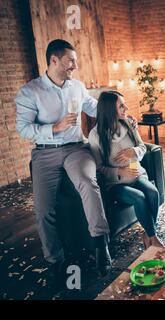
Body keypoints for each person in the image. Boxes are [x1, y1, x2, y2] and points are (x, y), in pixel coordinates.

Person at [15, 39, 112, 281]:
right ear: (54, 60)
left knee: (88, 184)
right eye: (71, 61)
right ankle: (54, 259)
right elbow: (24, 129)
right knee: (43, 209)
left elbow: (92, 107)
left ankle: (101, 245)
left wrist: (117, 111)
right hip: (44, 152)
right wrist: (54, 128)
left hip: (76, 149)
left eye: (75, 61)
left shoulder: (77, 87)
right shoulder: (30, 92)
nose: (74, 66)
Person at [88, 91, 163, 249]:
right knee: (139, 197)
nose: (126, 108)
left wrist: (134, 152)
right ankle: (153, 237)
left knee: (153, 192)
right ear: (109, 109)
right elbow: (99, 167)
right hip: (116, 184)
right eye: (121, 105)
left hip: (137, 173)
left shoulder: (129, 123)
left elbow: (142, 147)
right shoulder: (95, 135)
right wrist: (119, 172)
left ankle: (149, 232)